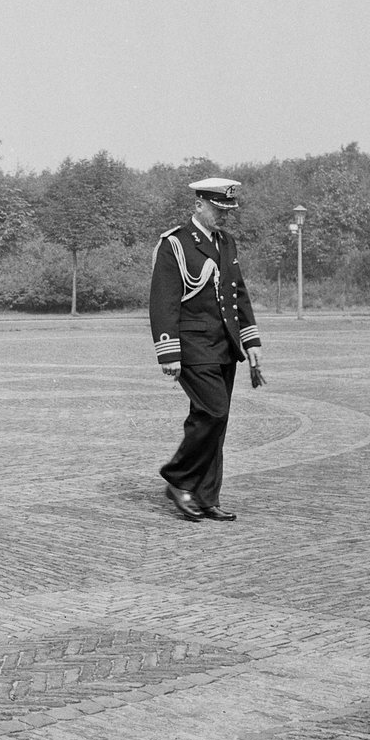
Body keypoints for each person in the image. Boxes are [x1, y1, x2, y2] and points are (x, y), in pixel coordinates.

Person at [150, 177, 261, 523]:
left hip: (224, 344)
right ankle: (178, 480)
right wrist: (168, 352)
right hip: (192, 345)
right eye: (217, 209)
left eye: (227, 211)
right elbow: (164, 301)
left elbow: (237, 293)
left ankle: (206, 496)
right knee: (213, 411)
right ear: (198, 205)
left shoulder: (226, 243)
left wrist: (251, 341)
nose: (223, 216)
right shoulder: (176, 244)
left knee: (217, 421)